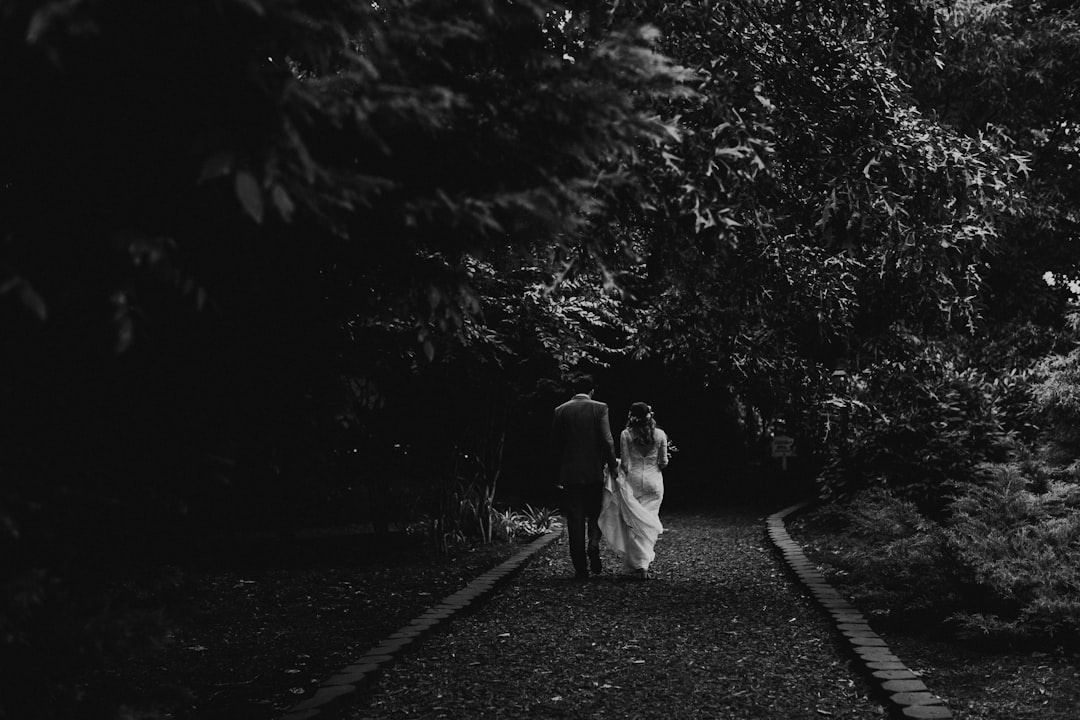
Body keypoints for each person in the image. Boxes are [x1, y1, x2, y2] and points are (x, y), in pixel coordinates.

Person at [552, 375, 618, 581]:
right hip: (593, 471)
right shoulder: (600, 408)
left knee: (575, 518)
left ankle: (580, 568)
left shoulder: (560, 410)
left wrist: (557, 473)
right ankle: (594, 544)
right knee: (595, 512)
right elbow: (607, 441)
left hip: (570, 473)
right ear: (592, 391)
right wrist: (613, 466)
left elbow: (555, 445)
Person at [599, 402, 668, 580]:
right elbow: (663, 462)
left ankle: (641, 565)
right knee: (648, 522)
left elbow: (627, 465)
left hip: (634, 482)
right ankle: (641, 564)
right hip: (654, 484)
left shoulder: (626, 434)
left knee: (635, 524)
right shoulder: (660, 435)